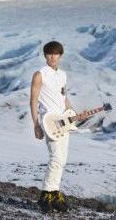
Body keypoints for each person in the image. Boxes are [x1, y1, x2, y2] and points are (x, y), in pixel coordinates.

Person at [29, 41, 73, 213]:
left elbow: (64, 97)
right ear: (45, 55)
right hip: (48, 121)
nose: (52, 56)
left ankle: (54, 194)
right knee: (55, 157)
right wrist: (35, 125)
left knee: (62, 159)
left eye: (56, 53)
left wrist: (72, 112)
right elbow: (33, 100)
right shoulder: (40, 74)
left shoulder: (62, 75)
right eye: (49, 53)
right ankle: (45, 195)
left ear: (60, 55)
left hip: (63, 121)